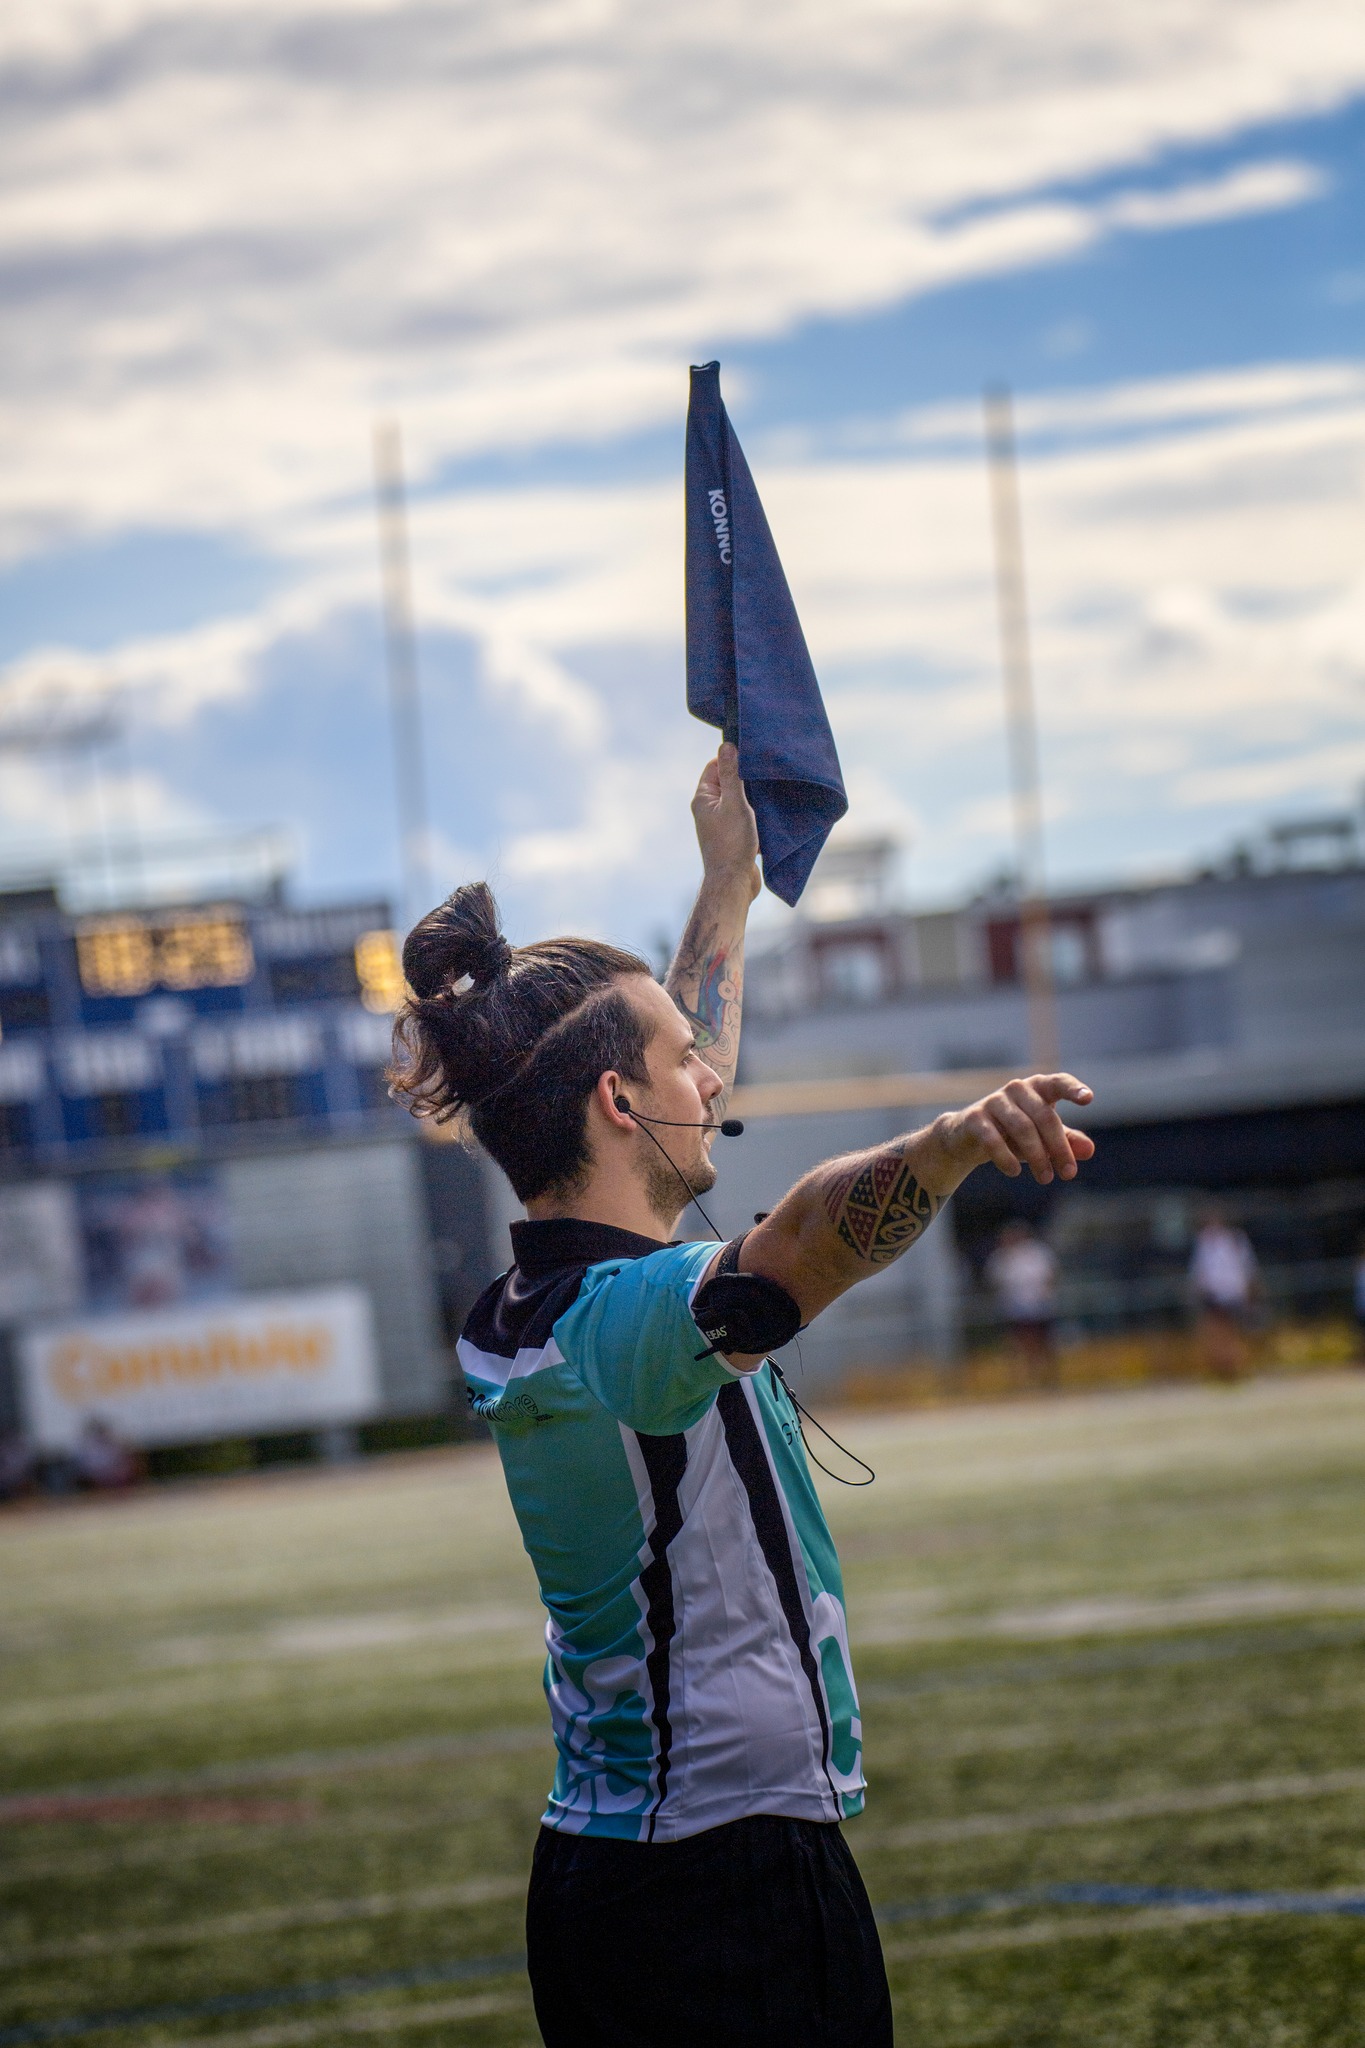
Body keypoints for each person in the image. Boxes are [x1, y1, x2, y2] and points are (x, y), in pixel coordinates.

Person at [390, 744, 1096, 2048]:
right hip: (717, 1889)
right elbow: (801, 1239)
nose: (712, 1080)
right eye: (682, 1064)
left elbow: (679, 1065)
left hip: (637, 1871)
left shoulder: (542, 1302)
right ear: (618, 1102)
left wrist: (727, 882)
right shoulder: (611, 1322)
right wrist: (947, 1142)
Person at [1189, 1207, 1259, 1382]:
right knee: (1215, 1333)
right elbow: (1199, 1271)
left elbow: (1247, 1267)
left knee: (1233, 1333)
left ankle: (1236, 1369)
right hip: (1213, 1296)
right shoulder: (1204, 1241)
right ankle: (1221, 1371)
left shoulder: (1235, 1239)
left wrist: (1248, 1292)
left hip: (1233, 1293)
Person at [985, 1220, 1059, 1385]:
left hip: (1039, 1306)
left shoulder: (1038, 1252)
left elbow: (1050, 1276)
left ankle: (1048, 1377)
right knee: (1017, 1345)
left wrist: (1044, 1294)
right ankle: (1021, 1378)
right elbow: (994, 1282)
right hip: (1014, 1309)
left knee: (1045, 1343)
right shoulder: (1001, 1258)